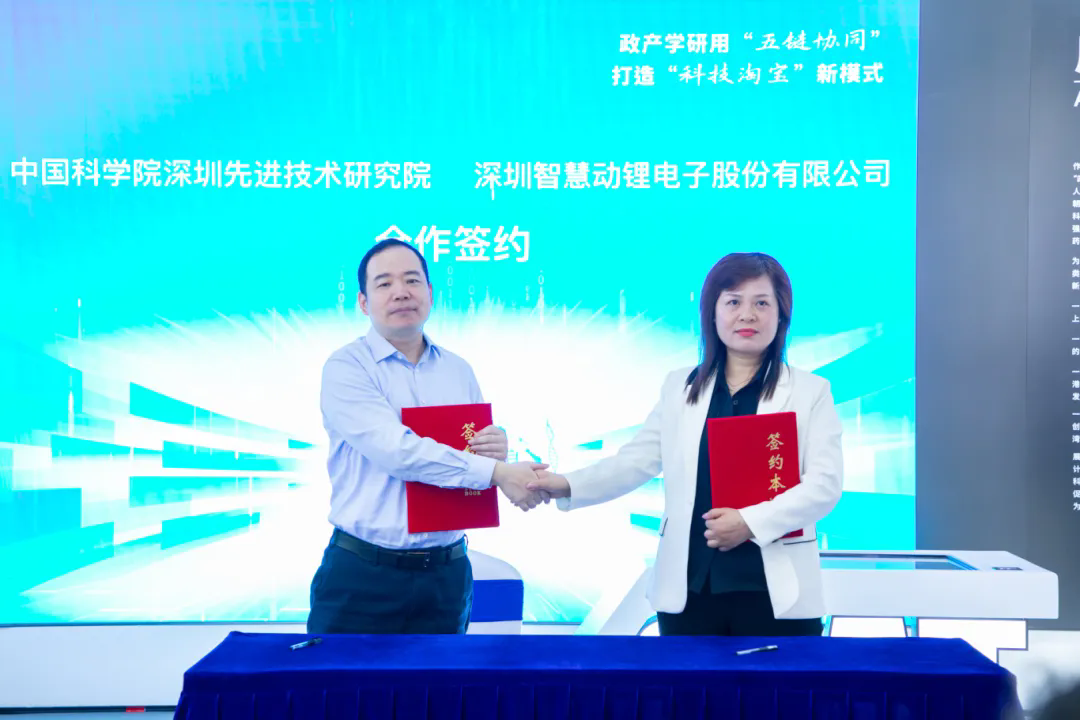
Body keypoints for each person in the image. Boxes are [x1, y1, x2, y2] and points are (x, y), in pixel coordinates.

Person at [528, 252, 843, 636]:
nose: (747, 315)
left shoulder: (810, 392)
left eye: (762, 303)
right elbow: (636, 460)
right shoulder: (680, 387)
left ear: (782, 316)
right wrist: (566, 484)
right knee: (688, 679)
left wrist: (749, 523)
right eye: (733, 302)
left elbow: (824, 486)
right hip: (690, 590)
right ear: (712, 313)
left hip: (776, 592)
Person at [307, 238, 547, 635]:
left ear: (431, 293)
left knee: (440, 680)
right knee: (347, 679)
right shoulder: (347, 367)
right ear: (364, 302)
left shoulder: (458, 369)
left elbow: (472, 455)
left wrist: (496, 450)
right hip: (363, 576)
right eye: (384, 283)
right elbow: (397, 452)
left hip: (446, 577)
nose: (401, 292)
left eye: (412, 280)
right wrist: (498, 473)